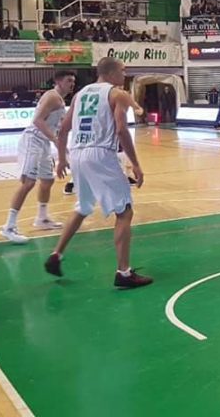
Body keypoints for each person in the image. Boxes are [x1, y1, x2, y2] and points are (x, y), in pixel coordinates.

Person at [45, 57, 151, 289]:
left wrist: (63, 158)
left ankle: (56, 255)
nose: (125, 75)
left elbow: (63, 130)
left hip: (79, 154)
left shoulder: (80, 94)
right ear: (112, 72)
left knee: (83, 207)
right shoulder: (116, 93)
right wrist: (135, 164)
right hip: (101, 153)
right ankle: (123, 273)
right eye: (123, 71)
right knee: (124, 212)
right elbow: (122, 130)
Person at [0, 71, 76, 244]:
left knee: (47, 181)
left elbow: (59, 127)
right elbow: (37, 121)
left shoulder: (61, 100)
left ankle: (41, 218)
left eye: (73, 81)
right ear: (58, 81)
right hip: (32, 141)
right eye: (69, 80)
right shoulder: (52, 97)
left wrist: (65, 150)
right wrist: (56, 140)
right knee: (28, 183)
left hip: (44, 144)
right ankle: (9, 227)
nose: (72, 84)